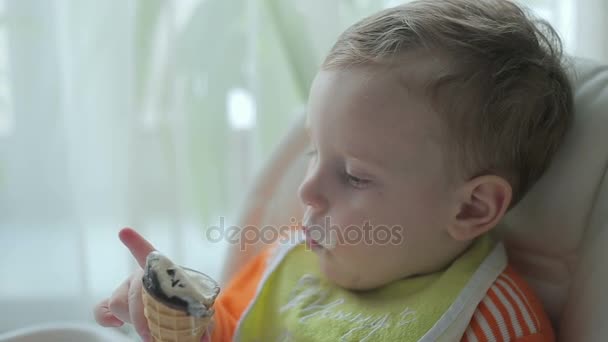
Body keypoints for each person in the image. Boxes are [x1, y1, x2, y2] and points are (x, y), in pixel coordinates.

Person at [94, 0, 572, 340]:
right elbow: (229, 330)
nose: (307, 191)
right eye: (314, 155)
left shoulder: (491, 323)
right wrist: (175, 313)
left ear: (471, 206)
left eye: (355, 176)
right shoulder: (293, 259)